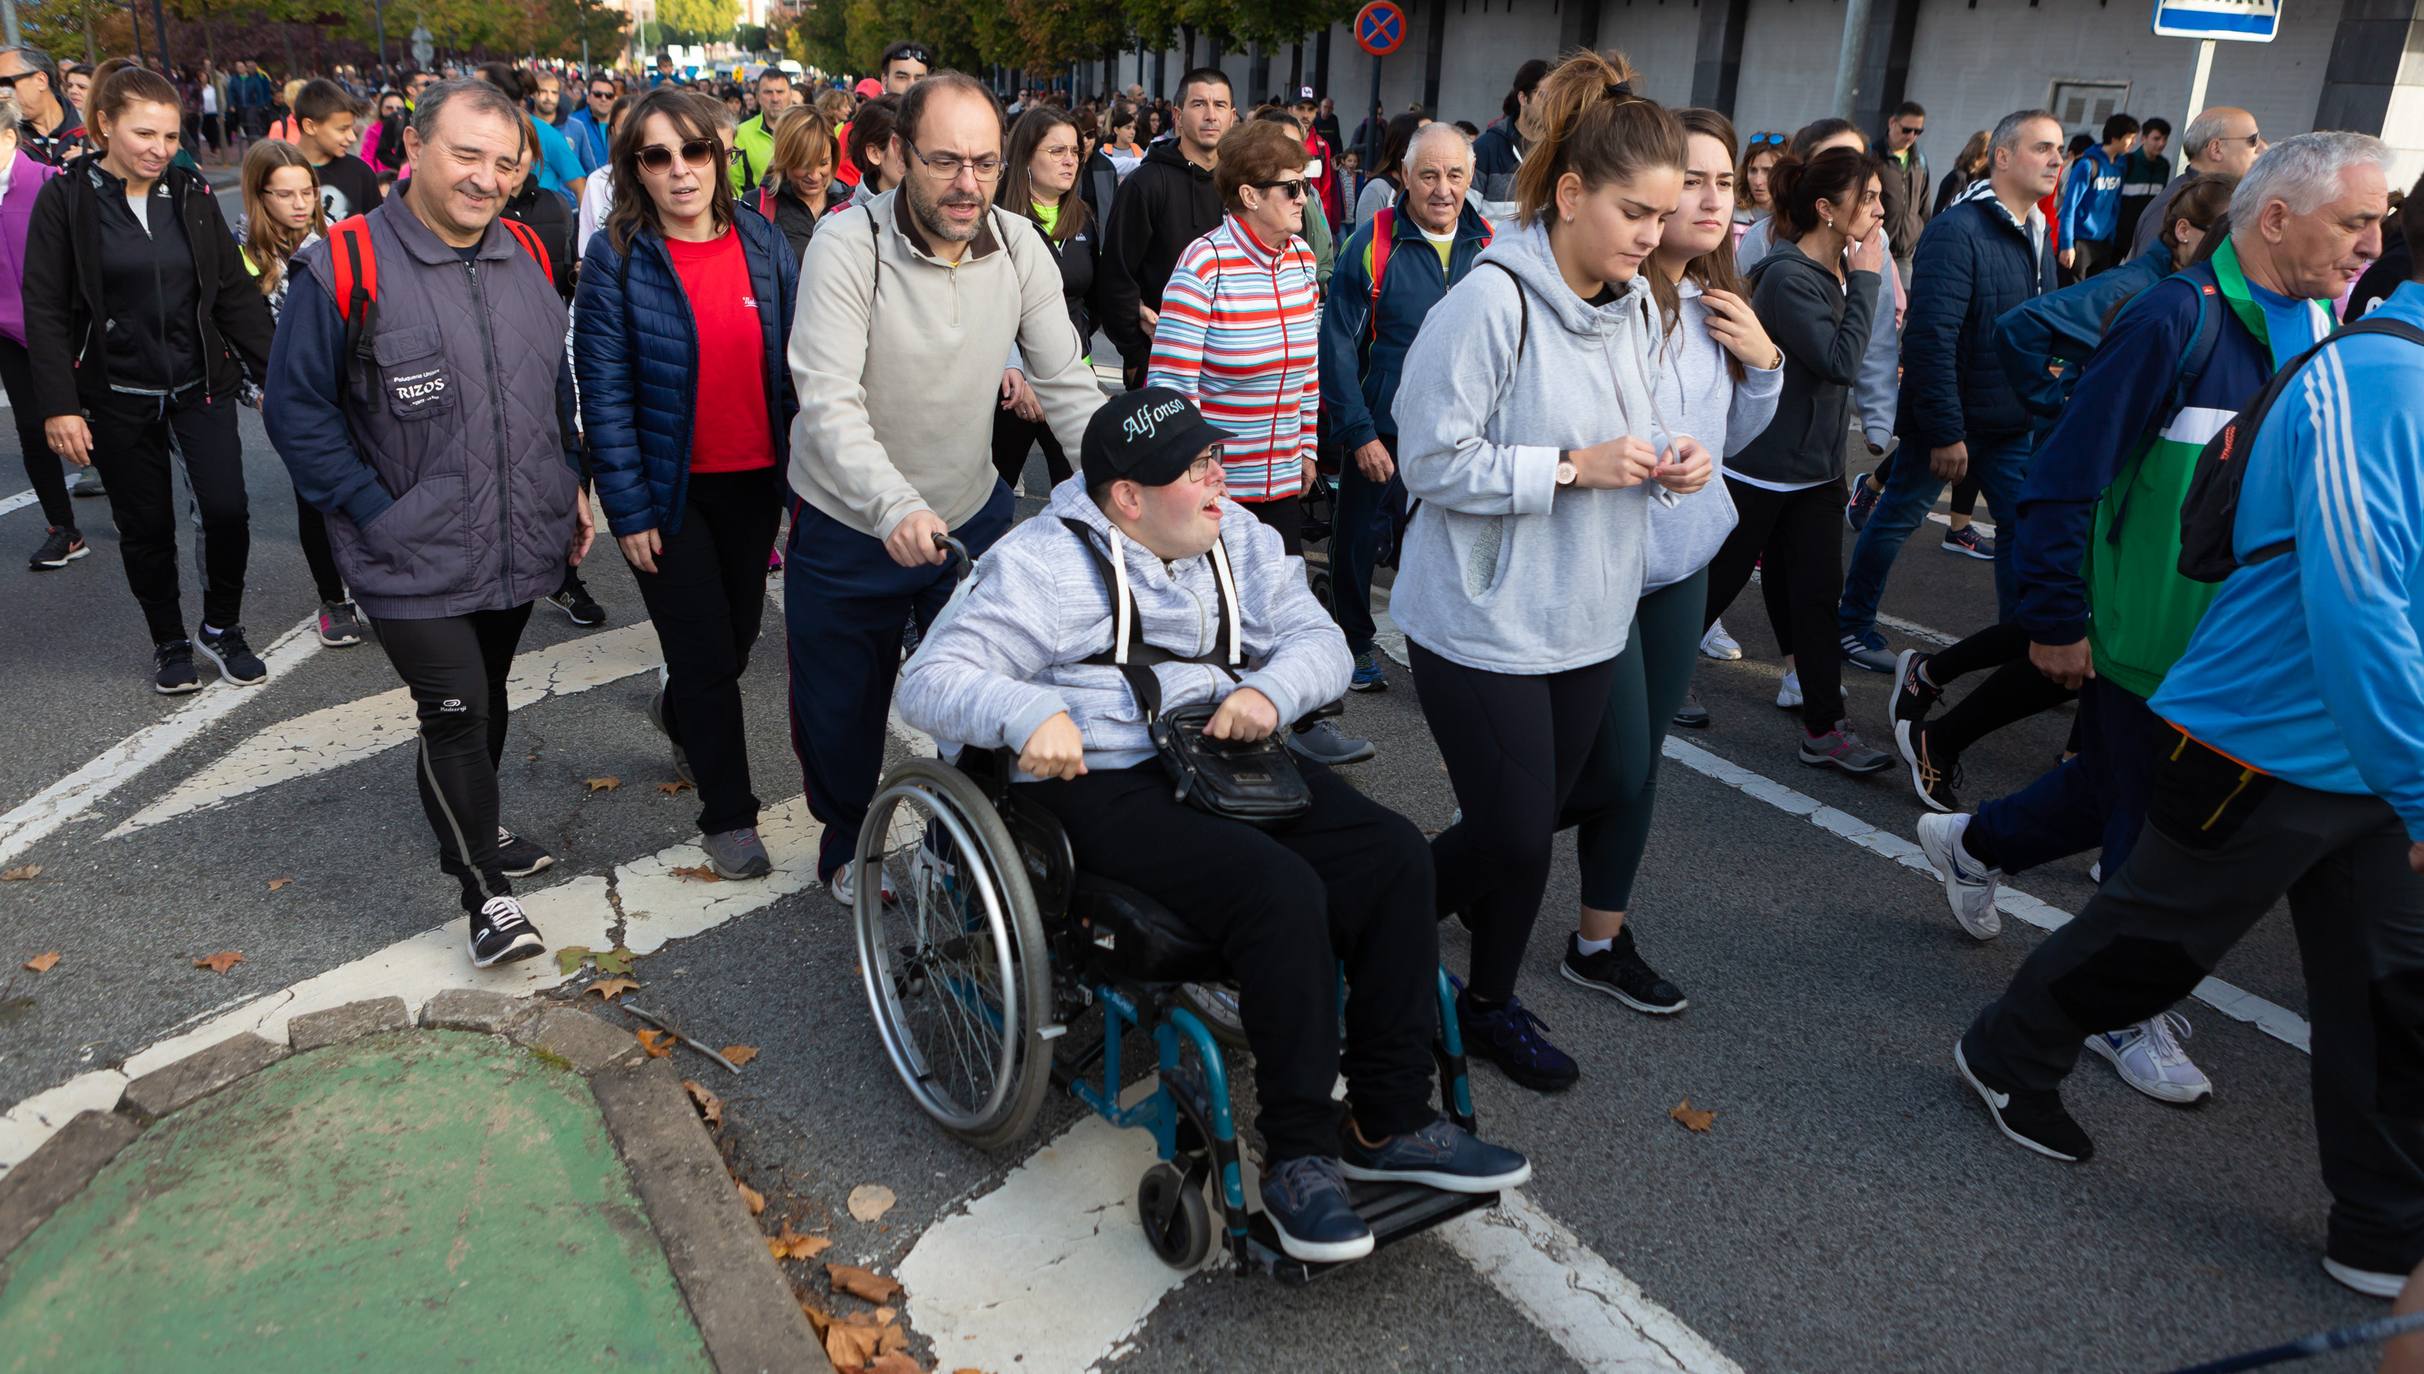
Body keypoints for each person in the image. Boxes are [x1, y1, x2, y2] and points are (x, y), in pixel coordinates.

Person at [894, 388, 1534, 1265]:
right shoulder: (1041, 564)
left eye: (1215, 462)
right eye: (1195, 472)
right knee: (1278, 892)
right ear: (1127, 498)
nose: (1218, 484)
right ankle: (1300, 1157)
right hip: (1106, 777)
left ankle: (1389, 1120)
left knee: (1392, 857)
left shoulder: (1239, 537)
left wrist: (1268, 692)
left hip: (1228, 751)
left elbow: (1319, 634)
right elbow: (929, 679)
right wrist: (1024, 711)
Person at [1956, 159, 2420, 1298]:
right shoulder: (2350, 368)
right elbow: (2361, 598)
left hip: (2368, 757)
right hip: (2259, 733)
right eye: (2351, 219)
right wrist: (2059, 617)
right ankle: (2007, 1049)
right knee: (2157, 937)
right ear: (2278, 218)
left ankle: (2381, 1226)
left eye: (2378, 223)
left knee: (2391, 986)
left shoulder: (2326, 323)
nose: (2365, 241)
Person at [1391, 50, 1706, 1092]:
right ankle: (1481, 1001)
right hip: (1481, 622)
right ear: (1570, 195)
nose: (1651, 237)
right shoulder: (1490, 302)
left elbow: (1636, 430)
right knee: (1520, 835)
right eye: (1635, 213)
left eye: (1662, 218)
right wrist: (1570, 468)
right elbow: (1429, 456)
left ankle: (1391, 913)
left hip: (1587, 613)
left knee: (1526, 829)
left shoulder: (1633, 305)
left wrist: (1673, 458)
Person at [265, 77, 593, 969]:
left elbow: (549, 383)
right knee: (454, 711)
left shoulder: (525, 246)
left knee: (483, 708)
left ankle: (471, 830)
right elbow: (297, 413)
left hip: (518, 534)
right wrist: (376, 510)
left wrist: (570, 480)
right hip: (406, 549)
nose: (485, 178)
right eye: (466, 154)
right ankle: (485, 894)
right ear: (412, 147)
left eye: (504, 161)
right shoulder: (343, 262)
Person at [784, 71, 1104, 905]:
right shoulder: (846, 245)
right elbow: (826, 395)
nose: (968, 184)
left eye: (987, 163)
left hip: (970, 507)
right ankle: (848, 838)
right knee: (841, 707)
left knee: (994, 687)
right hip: (851, 520)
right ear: (894, 154)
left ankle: (964, 841)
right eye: (945, 161)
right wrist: (890, 505)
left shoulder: (1017, 243)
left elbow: (1064, 380)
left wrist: (1122, 486)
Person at [1891, 173, 2236, 815]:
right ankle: (1949, 741)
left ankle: (1938, 685)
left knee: (2066, 637)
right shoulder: (2146, 291)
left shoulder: (2223, 303)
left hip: (2144, 500)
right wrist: (2056, 406)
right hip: (2095, 489)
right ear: (2186, 230)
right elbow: (2020, 328)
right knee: (2071, 640)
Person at [1562, 107, 1782, 1009]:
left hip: (1681, 567)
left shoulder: (1718, 303)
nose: (1711, 198)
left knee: (1640, 764)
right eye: (1692, 179)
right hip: (1595, 562)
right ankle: (1474, 850)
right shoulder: (1605, 294)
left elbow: (1733, 438)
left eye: (1725, 182)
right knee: (1609, 766)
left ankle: (1597, 939)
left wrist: (1764, 365)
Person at [576, 87, 798, 881]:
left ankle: (677, 713)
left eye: (693, 151)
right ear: (635, 168)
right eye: (657, 156)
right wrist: (625, 505)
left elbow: (800, 372)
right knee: (704, 654)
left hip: (753, 486)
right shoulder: (618, 254)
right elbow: (601, 390)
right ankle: (729, 815)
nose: (679, 170)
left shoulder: (765, 243)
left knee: (734, 642)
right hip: (669, 494)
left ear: (719, 154)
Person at [23, 65, 276, 693]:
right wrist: (59, 404)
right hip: (117, 394)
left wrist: (282, 377)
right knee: (146, 528)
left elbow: (234, 297)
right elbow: (46, 307)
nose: (159, 149)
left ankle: (222, 627)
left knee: (226, 509)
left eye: (169, 135)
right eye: (144, 133)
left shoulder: (189, 192)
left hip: (200, 385)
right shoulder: (67, 198)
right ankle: (169, 641)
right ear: (104, 125)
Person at [1144, 115, 1370, 768]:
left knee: (1285, 599)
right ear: (1248, 195)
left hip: (1278, 476)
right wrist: (1198, 474)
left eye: (1307, 185)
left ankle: (1300, 717)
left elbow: (1304, 368)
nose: (1306, 198)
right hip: (1220, 484)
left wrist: (1304, 448)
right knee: (1218, 614)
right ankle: (1215, 733)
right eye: (1292, 188)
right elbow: (1171, 386)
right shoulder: (1204, 263)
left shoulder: (1300, 260)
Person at [1834, 110, 2062, 673]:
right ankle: (1851, 626)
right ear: (2003, 157)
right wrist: (1945, 430)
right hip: (1955, 421)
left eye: (2060, 150)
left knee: (2020, 527)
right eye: (2043, 148)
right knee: (1896, 520)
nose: (2057, 159)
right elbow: (1932, 337)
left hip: (2013, 420)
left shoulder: (2036, 230)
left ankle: (2019, 649)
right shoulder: (1959, 230)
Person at [1699, 147, 1890, 771]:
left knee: (1813, 596)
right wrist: (1865, 278)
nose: (1880, 209)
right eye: (1869, 198)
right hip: (1761, 467)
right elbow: (1839, 361)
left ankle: (1824, 728)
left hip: (1816, 472)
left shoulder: (1831, 271)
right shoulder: (1787, 276)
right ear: (1826, 209)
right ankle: (1643, 680)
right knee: (1709, 589)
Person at [1318, 122, 1490, 694]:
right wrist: (1359, 431)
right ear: (1407, 178)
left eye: (1455, 175)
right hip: (1384, 427)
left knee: (1445, 546)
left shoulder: (1490, 243)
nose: (1443, 189)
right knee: (1359, 540)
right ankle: (1354, 640)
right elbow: (1337, 344)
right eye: (1429, 175)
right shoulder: (1372, 242)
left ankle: (1444, 651)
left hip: (1463, 433)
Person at [233, 140, 362, 647]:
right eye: (285, 194)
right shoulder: (240, 255)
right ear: (259, 195)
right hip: (289, 399)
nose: (300, 203)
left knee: (371, 484)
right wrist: (259, 393)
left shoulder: (336, 241)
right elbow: (231, 337)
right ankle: (334, 599)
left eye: (307, 191)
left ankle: (384, 585)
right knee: (315, 498)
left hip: (350, 388)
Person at [991, 106, 1110, 498]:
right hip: (1008, 386)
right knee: (988, 501)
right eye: (1057, 151)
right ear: (1026, 155)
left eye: (1075, 151)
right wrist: (1022, 370)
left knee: (1084, 493)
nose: (1070, 160)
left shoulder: (1083, 218)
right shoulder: (998, 222)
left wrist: (1075, 349)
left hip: (1072, 373)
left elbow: (1090, 299)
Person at [1101, 67, 1231, 387]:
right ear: (1177, 115)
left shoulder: (1243, 187)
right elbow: (1116, 275)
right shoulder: (1145, 185)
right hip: (1161, 366)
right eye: (1199, 104)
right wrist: (1135, 356)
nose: (1211, 115)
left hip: (1232, 370)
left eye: (1220, 105)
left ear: (1233, 116)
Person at [0, 101, 72, 571]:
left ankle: (138, 509)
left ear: (9, 137)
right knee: (32, 429)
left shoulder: (50, 184)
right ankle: (64, 529)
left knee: (100, 421)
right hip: (8, 332)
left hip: (65, 326)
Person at [2128, 106, 2266, 260]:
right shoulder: (2174, 206)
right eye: (2253, 140)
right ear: (2216, 149)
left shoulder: (2215, 196)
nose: (2259, 149)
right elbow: (2150, 278)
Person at [745, 105, 842, 265]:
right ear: (785, 158)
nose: (815, 176)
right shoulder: (756, 207)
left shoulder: (850, 202)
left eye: (823, 163)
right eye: (804, 165)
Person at [475, 64, 583, 207]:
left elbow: (580, 186)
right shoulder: (474, 130)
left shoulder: (545, 133)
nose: (469, 90)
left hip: (539, 222)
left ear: (498, 91)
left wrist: (580, 227)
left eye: (476, 85)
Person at [2056, 113, 2138, 280]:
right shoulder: (2087, 165)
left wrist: (2112, 237)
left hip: (2104, 243)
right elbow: (2069, 206)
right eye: (2130, 138)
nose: (2133, 142)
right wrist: (2066, 245)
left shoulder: (2120, 165)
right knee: (2071, 295)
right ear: (2115, 138)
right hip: (2080, 242)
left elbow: (2115, 203)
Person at [287, 78, 381, 220]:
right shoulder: (280, 172)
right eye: (343, 129)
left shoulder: (360, 172)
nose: (352, 138)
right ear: (310, 127)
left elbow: (378, 229)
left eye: (351, 128)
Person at [1470, 58, 1546, 209]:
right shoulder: (1486, 148)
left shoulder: (1561, 151)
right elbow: (1467, 215)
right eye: (1546, 96)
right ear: (1523, 98)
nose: (1554, 104)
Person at [0, 47, 87, 166]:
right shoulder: (5, 137)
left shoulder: (94, 126)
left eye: (4, 83)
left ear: (41, 80)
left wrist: (96, 161)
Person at [1876, 100, 1929, 285]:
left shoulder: (1919, 160)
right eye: (1907, 129)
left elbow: (1924, 207)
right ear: (1892, 123)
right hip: (1874, 248)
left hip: (1905, 254)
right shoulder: (1873, 156)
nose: (1912, 136)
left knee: (1901, 308)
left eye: (1918, 131)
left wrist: (1918, 236)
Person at [576, 94, 634, 256]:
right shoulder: (597, 180)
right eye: (625, 127)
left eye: (636, 126)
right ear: (613, 130)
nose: (631, 134)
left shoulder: (659, 178)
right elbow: (588, 239)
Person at [727, 64, 796, 194]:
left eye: (780, 92)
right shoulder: (741, 133)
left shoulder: (804, 130)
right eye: (768, 92)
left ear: (790, 95)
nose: (775, 99)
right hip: (757, 211)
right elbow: (734, 186)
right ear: (758, 96)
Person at [1352, 113, 1428, 230]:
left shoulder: (1431, 189)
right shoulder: (1378, 189)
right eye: (1426, 136)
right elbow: (1363, 244)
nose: (1435, 142)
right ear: (1406, 146)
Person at [2113, 115, 2172, 250]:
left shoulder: (2164, 166)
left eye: (2165, 139)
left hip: (2146, 232)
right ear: (2143, 138)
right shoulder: (2127, 161)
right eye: (2156, 139)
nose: (2161, 143)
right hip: (2120, 233)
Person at [1289, 92, 1339, 230]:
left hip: (1312, 224)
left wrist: (1323, 227)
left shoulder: (1322, 146)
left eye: (1310, 109)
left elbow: (1326, 193)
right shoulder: (1277, 142)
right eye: (1301, 108)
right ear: (1289, 110)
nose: (1305, 115)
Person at [1933, 130, 1990, 216]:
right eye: (1990, 154)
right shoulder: (1958, 178)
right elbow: (1942, 216)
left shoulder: (1981, 181)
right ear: (1980, 153)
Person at [568, 71, 616, 172]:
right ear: (588, 98)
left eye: (609, 95)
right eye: (598, 94)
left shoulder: (621, 122)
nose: (604, 99)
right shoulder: (573, 122)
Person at [362, 89, 410, 176]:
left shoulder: (409, 127)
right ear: (381, 109)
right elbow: (367, 158)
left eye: (399, 108)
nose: (395, 111)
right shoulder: (373, 131)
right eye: (389, 108)